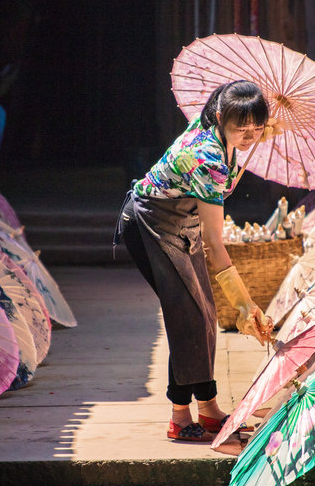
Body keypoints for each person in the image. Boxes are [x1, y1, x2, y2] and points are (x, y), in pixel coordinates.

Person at [116, 80, 280, 442]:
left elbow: (251, 128)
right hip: (150, 224)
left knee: (204, 313)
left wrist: (261, 127)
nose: (250, 134)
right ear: (220, 118)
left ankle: (208, 408)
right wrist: (244, 305)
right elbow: (214, 244)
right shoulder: (208, 159)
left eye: (257, 126)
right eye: (241, 127)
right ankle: (179, 416)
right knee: (188, 313)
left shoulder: (219, 128)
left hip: (181, 224)